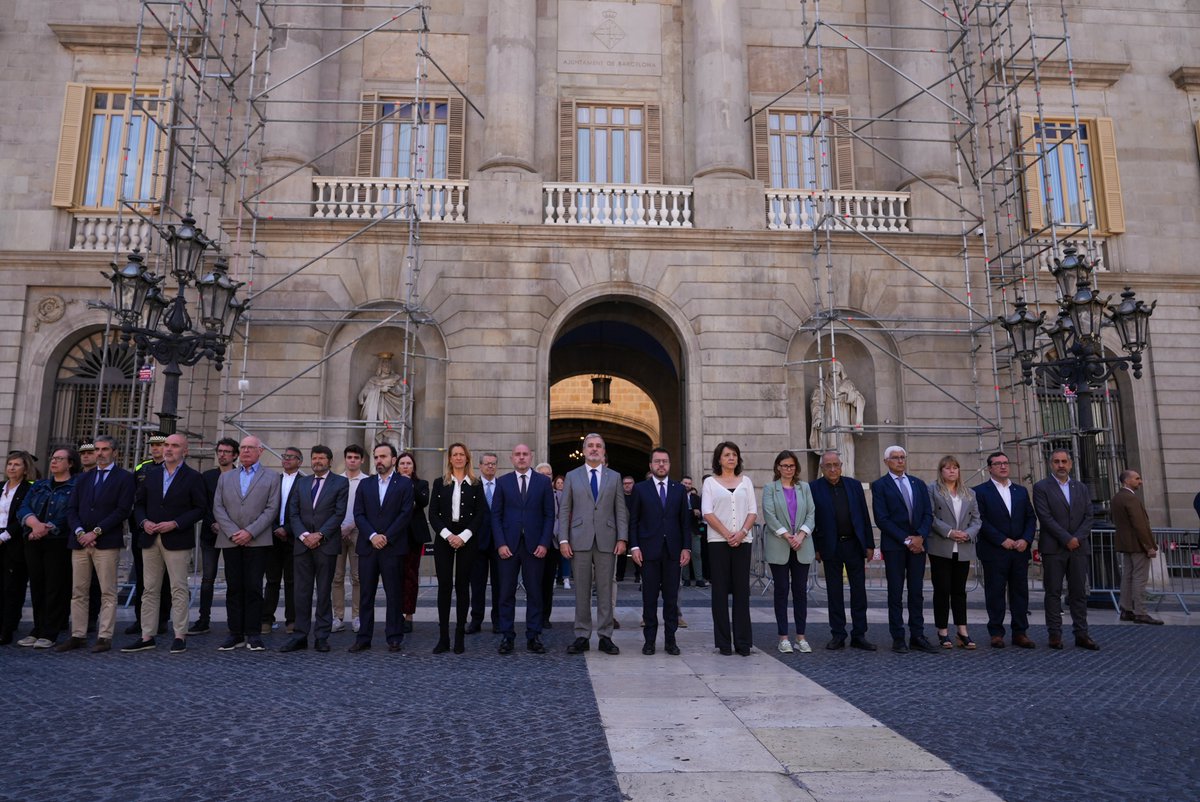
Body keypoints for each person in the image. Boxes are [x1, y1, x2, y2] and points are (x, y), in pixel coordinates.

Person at [123, 433, 207, 654]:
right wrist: (144, 522)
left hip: (177, 539)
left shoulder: (193, 477)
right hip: (150, 537)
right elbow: (138, 504)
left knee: (178, 588)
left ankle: (180, 634)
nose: (168, 449)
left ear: (185, 451)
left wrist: (176, 523)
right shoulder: (150, 474)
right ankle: (147, 635)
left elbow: (200, 508)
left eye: (174, 446)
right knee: (149, 589)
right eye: (166, 445)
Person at [58, 435, 135, 653]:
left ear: (115, 452)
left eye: (105, 449)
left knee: (107, 591)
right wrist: (81, 531)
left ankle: (104, 636)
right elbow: (72, 509)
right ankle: (78, 634)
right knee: (78, 590)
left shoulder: (124, 478)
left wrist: (96, 532)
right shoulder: (84, 478)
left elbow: (122, 510)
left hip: (106, 542)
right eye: (97, 449)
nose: (100, 453)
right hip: (80, 541)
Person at [559, 434, 627, 656]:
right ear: (584, 450)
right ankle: (582, 635)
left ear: (604, 451)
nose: (594, 449)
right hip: (579, 539)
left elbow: (620, 510)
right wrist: (563, 539)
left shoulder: (614, 476)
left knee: (606, 590)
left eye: (598, 446)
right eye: (590, 446)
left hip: (607, 539)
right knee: (581, 590)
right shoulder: (572, 476)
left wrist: (622, 538)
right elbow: (565, 510)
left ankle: (605, 636)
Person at [212, 436, 281, 652]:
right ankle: (235, 633)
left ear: (260, 451)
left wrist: (249, 532)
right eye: (242, 448)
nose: (245, 451)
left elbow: (272, 509)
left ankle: (253, 633)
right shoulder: (226, 477)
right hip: (230, 540)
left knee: (253, 587)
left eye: (250, 448)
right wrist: (234, 533)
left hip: (257, 540)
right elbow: (218, 507)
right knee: (233, 588)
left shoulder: (271, 477)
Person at [281, 445, 349, 653]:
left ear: (329, 461)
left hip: (325, 544)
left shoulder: (340, 482)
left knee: (324, 592)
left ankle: (321, 636)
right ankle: (300, 635)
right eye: (314, 458)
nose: (317, 461)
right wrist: (303, 536)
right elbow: (292, 513)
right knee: (301, 593)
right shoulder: (302, 483)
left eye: (321, 458)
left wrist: (319, 535)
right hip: (302, 546)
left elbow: (339, 513)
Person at [871, 445, 937, 654]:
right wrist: (906, 540)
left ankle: (917, 635)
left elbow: (928, 513)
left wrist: (920, 537)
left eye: (902, 457)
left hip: (918, 545)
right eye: (895, 458)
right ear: (886, 462)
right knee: (895, 593)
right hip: (895, 547)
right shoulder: (880, 485)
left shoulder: (918, 484)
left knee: (917, 593)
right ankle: (898, 637)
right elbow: (882, 518)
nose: (900, 461)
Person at [492, 443, 555, 655]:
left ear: (531, 457)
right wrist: (500, 543)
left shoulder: (543, 483)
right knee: (506, 593)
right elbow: (496, 516)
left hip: (535, 546)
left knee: (535, 593)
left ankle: (534, 635)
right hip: (508, 547)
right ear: (511, 458)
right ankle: (507, 636)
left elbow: (549, 515)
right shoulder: (502, 482)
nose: (521, 458)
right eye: (517, 454)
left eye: (525, 454)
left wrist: (544, 543)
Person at [350, 442, 414, 653]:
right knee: (366, 594)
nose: (379, 460)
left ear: (393, 460)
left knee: (393, 593)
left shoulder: (404, 485)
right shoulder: (365, 484)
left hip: (392, 547)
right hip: (368, 547)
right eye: (376, 457)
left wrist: (385, 536)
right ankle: (363, 637)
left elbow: (405, 514)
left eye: (383, 457)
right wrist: (372, 535)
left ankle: (394, 636)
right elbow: (359, 514)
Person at [1033, 449, 1098, 650]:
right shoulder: (1041, 487)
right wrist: (1066, 538)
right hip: (1054, 548)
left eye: (1064, 461)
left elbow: (1089, 516)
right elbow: (1045, 517)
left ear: (1070, 464)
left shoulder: (1081, 488)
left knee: (1078, 593)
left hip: (1078, 548)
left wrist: (1076, 538)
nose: (1061, 465)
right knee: (1053, 592)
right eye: (1056, 462)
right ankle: (1055, 634)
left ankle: (1082, 634)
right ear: (1050, 464)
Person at [810, 450, 876, 650]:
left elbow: (864, 516)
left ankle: (859, 634)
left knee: (859, 592)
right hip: (830, 546)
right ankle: (838, 634)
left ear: (841, 466)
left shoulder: (854, 486)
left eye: (835, 465)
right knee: (834, 592)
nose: (832, 469)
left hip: (854, 545)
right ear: (822, 468)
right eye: (828, 465)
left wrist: (869, 544)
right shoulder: (813, 488)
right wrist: (816, 547)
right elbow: (811, 519)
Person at [628, 447, 690, 656]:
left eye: (664, 461)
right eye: (657, 461)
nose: (661, 465)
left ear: (669, 464)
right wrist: (634, 546)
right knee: (649, 598)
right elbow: (634, 521)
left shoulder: (679, 489)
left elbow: (684, 522)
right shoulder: (640, 489)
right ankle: (650, 641)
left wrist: (686, 548)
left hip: (673, 551)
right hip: (648, 551)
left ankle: (671, 641)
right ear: (651, 465)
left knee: (671, 599)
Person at [972, 451, 1037, 649]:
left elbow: (1030, 518)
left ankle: (1020, 632)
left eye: (1006, 463)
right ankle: (996, 632)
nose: (1003, 466)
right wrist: (1002, 540)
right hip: (994, 551)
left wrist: (1026, 539)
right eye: (998, 463)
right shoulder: (980, 491)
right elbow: (980, 520)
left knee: (1020, 592)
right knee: (995, 593)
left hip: (1019, 550)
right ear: (989, 468)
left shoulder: (1020, 491)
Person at [427, 443, 486, 654]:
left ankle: (459, 637)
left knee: (462, 586)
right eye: (455, 455)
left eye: (462, 455)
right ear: (449, 459)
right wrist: (448, 535)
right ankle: (443, 638)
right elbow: (432, 514)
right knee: (444, 586)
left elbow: (481, 514)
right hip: (444, 537)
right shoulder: (439, 483)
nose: (458, 458)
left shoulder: (476, 484)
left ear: (467, 458)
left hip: (467, 538)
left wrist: (463, 537)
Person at [17, 447, 78, 648]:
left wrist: (47, 528)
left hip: (57, 542)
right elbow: (24, 507)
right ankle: (37, 628)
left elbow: (71, 512)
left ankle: (50, 631)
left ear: (70, 463)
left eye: (60, 459)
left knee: (55, 586)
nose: (54, 462)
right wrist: (34, 524)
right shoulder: (40, 485)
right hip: (33, 539)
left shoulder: (75, 485)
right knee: (37, 585)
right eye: (53, 458)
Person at [702, 441, 756, 656]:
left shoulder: (746, 481)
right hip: (718, 543)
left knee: (742, 593)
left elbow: (752, 511)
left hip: (743, 542)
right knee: (720, 593)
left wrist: (741, 533)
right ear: (719, 459)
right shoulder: (710, 483)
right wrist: (727, 534)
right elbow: (707, 512)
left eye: (734, 454)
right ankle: (724, 643)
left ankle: (743, 642)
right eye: (726, 455)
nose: (731, 458)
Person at [761, 449, 816, 654]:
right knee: (782, 591)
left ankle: (801, 637)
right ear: (778, 467)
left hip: (802, 545)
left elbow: (811, 513)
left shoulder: (805, 488)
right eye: (784, 465)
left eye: (791, 465)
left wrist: (801, 534)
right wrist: (787, 536)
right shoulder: (770, 488)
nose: (788, 469)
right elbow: (769, 514)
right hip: (780, 545)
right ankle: (783, 637)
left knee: (800, 592)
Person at [927, 455, 982, 649]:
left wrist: (967, 534)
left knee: (959, 591)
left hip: (963, 547)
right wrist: (950, 532)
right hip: (941, 546)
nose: (952, 471)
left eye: (955, 468)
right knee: (942, 590)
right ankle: (942, 630)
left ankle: (962, 630)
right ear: (941, 471)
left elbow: (977, 519)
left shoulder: (969, 493)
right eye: (948, 468)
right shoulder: (933, 490)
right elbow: (930, 516)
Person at [190, 437, 237, 635]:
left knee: (233, 579)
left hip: (233, 535)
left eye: (227, 452)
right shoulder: (207, 476)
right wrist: (213, 523)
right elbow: (202, 504)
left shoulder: (240, 475)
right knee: (207, 578)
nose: (222, 455)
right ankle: (203, 620)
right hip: (211, 534)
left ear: (235, 455)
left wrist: (228, 527)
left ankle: (234, 621)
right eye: (220, 451)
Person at [126, 433, 170, 637]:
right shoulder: (141, 467)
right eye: (153, 445)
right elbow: (134, 497)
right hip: (143, 528)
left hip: (165, 528)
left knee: (166, 578)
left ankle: (162, 619)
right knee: (143, 577)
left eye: (159, 445)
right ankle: (141, 618)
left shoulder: (172, 468)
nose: (155, 449)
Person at [1111, 469, 1162, 625]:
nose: (1140, 481)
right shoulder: (1131, 499)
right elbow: (1140, 525)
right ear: (1127, 481)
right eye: (1137, 478)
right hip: (1138, 545)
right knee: (1139, 579)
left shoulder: (1117, 498)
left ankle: (1126, 609)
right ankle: (1140, 612)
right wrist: (1149, 546)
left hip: (1126, 544)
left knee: (1127, 577)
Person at [262, 446, 301, 635]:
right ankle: (266, 619)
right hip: (272, 537)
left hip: (293, 538)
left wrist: (287, 529)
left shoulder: (304, 482)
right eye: (284, 457)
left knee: (292, 581)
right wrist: (275, 527)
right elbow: (266, 506)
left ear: (299, 461)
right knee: (272, 580)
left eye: (291, 457)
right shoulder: (273, 480)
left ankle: (291, 620)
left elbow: (303, 511)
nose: (286, 460)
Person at [1, 450, 36, 644]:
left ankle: (7, 628)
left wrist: (4, 536)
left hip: (14, 541)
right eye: (10, 464)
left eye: (17, 465)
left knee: (12, 588)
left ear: (25, 469)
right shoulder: (0, 487)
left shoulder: (28, 490)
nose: (12, 468)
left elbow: (22, 516)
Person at [809, 361, 866, 476]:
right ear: (828, 370)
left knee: (847, 446)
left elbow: (859, 399)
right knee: (831, 446)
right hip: (830, 419)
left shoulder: (848, 384)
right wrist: (818, 418)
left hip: (844, 419)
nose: (834, 369)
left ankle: (848, 474)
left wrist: (850, 397)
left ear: (841, 369)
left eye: (837, 366)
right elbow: (816, 403)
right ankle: (828, 475)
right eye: (831, 367)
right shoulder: (822, 386)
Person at [333, 443, 367, 634]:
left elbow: (367, 509)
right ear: (345, 459)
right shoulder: (336, 481)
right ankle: (337, 617)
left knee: (357, 577)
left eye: (356, 457)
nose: (352, 460)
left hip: (357, 531)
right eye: (349, 457)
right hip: (336, 533)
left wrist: (351, 526)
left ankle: (357, 616)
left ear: (361, 460)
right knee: (336, 577)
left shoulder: (367, 481)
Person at [467, 451, 501, 633]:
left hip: (498, 544)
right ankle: (476, 620)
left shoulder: (503, 486)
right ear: (479, 466)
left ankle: (498, 620)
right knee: (477, 585)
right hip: (477, 544)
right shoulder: (472, 486)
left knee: (499, 585)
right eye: (487, 464)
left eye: (493, 464)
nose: (490, 467)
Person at [398, 451, 430, 634]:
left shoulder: (421, 484)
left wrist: (408, 482)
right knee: (395, 577)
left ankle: (408, 614)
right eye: (402, 463)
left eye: (408, 463)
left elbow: (423, 501)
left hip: (413, 537)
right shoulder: (391, 484)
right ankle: (396, 613)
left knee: (411, 576)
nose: (405, 466)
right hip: (395, 536)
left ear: (413, 467)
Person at [534, 461, 561, 629]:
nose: (546, 476)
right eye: (542, 474)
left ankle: (545, 616)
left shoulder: (559, 495)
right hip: (535, 544)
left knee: (548, 583)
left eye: (548, 474)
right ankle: (535, 615)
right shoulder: (531, 494)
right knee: (534, 582)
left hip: (553, 544)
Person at [681, 475, 706, 587]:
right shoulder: (675, 496)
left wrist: (699, 513)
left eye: (689, 483)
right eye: (685, 483)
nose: (687, 485)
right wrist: (692, 511)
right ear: (681, 483)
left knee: (696, 553)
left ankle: (699, 579)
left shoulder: (696, 498)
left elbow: (702, 514)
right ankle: (686, 579)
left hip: (694, 530)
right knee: (683, 554)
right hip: (681, 530)